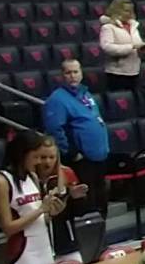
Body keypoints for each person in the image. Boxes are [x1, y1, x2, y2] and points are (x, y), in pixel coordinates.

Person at [0, 132, 78, 264]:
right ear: (22, 154)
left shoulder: (33, 176)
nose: (38, 162)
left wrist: (53, 211)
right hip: (23, 252)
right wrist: (40, 210)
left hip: (44, 247)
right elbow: (8, 228)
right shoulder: (1, 181)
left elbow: (41, 218)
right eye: (35, 157)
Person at [42, 59, 111, 224]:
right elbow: (55, 130)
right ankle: (88, 240)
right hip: (81, 160)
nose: (72, 76)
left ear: (81, 73)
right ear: (62, 76)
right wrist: (73, 154)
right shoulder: (57, 99)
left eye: (75, 71)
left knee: (100, 199)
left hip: (98, 156)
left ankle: (101, 236)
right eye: (68, 72)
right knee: (85, 203)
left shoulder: (85, 94)